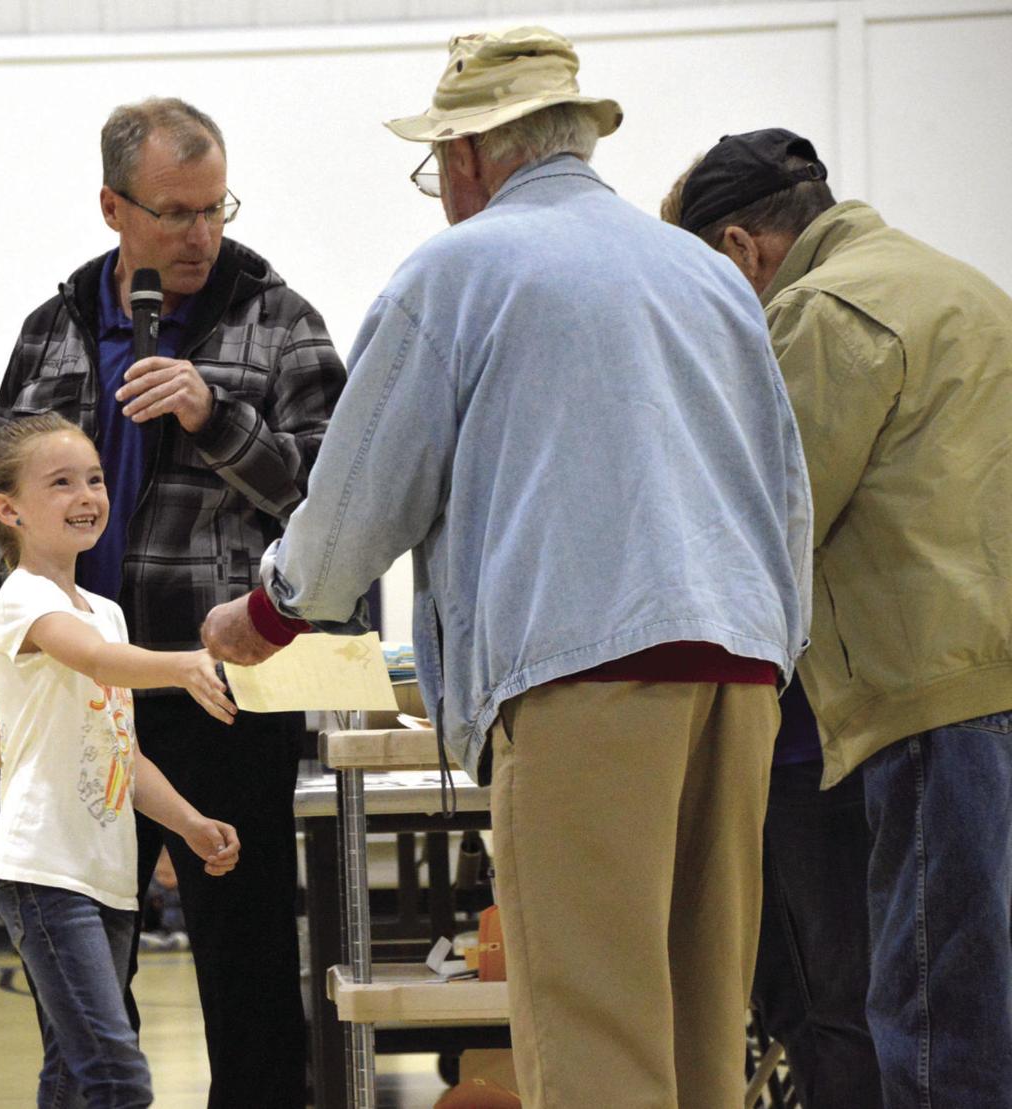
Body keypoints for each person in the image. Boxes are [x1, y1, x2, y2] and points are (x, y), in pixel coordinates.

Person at [200, 28, 812, 1109]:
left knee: (594, 1029)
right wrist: (777, 648)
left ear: (470, 154)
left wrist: (275, 609)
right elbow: (785, 487)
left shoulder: (460, 270)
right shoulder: (704, 273)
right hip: (742, 671)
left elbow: (359, 490)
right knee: (702, 1023)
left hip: (585, 678)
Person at [0, 97, 346, 1106]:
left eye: (215, 207)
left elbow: (335, 501)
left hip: (225, 690)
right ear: (113, 207)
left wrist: (217, 416)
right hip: (76, 694)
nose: (200, 233)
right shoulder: (52, 329)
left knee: (249, 968)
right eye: (174, 212)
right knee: (85, 981)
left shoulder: (282, 321)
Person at [662, 128, 1012, 1108]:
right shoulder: (959, 285)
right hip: (986, 679)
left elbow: (766, 520)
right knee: (982, 1006)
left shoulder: (822, 312)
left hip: (928, 697)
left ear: (741, 250)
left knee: (931, 1021)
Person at [0, 412, 241, 1108]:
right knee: (118, 1076)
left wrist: (188, 823)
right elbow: (92, 658)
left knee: (71, 1074)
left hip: (108, 877)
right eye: (61, 482)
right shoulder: (22, 599)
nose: (87, 495)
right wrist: (183, 664)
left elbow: (125, 752)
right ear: (9, 510)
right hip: (44, 871)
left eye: (94, 479)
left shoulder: (106, 610)